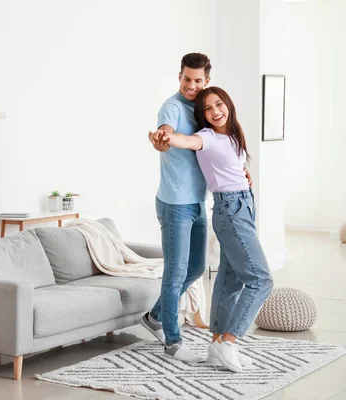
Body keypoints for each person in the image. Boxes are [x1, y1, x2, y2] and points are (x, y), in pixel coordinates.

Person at [159, 86, 274, 372]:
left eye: (219, 105)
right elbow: (185, 140)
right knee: (261, 279)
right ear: (203, 116)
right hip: (230, 211)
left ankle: (216, 344)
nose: (215, 112)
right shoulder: (207, 137)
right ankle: (229, 342)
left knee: (230, 279)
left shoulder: (232, 134)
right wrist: (165, 136)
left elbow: (233, 167)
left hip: (243, 207)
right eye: (208, 109)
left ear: (228, 105)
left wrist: (244, 174)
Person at [139, 53, 212, 363]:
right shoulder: (171, 107)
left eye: (197, 81)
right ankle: (172, 340)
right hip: (174, 205)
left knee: (196, 268)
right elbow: (165, 133)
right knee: (175, 272)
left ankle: (155, 316)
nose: (191, 86)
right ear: (179, 77)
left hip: (197, 202)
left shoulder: (203, 107)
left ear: (207, 81)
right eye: (186, 79)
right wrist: (161, 139)